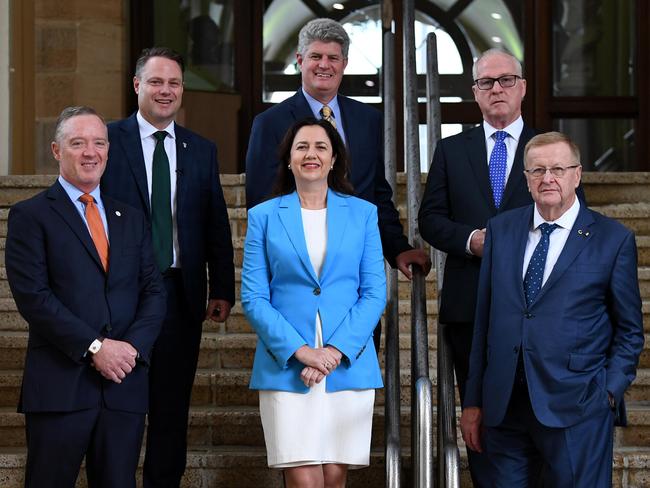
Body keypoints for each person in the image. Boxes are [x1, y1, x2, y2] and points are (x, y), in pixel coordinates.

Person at [418, 48, 579, 485]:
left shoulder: (551, 151)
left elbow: (574, 218)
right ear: (475, 93)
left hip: (542, 306)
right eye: (487, 83)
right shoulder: (451, 150)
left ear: (522, 87)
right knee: (484, 422)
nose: (497, 89)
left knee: (545, 421)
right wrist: (472, 241)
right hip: (471, 308)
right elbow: (430, 219)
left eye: (506, 80)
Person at [460, 132, 644, 487]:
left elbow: (630, 329)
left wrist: (608, 391)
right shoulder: (501, 229)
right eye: (538, 170)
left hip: (578, 406)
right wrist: (473, 401)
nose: (548, 178)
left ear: (577, 174)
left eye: (558, 169)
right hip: (503, 407)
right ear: (526, 178)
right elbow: (484, 320)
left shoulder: (613, 238)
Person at [5, 106, 166, 488]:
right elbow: (34, 297)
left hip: (123, 386)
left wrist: (129, 350)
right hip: (61, 386)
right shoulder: (30, 216)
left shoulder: (131, 216)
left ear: (108, 151)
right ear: (57, 151)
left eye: (98, 143)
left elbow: (154, 292)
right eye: (78, 143)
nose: (90, 152)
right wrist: (96, 348)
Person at [101, 47, 236, 487]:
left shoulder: (200, 149)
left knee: (171, 410)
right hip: (121, 296)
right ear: (137, 85)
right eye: (156, 82)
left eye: (173, 83)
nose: (165, 91)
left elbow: (215, 221)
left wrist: (222, 287)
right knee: (120, 407)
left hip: (180, 296)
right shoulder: (106, 140)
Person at [241, 118, 386, 488]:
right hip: (287, 364)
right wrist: (302, 352)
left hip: (347, 363)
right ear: (288, 159)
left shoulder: (364, 214)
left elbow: (373, 293)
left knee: (335, 480)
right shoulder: (263, 217)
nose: (311, 154)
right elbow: (254, 298)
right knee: (305, 480)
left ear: (334, 158)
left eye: (321, 147)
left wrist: (333, 352)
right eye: (302, 147)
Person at [245, 18, 429, 304]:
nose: (324, 65)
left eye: (333, 57)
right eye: (315, 56)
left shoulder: (368, 121)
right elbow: (261, 201)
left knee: (357, 345)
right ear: (299, 60)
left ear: (344, 63)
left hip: (356, 271)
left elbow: (377, 194)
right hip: (297, 274)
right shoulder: (269, 123)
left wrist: (397, 248)